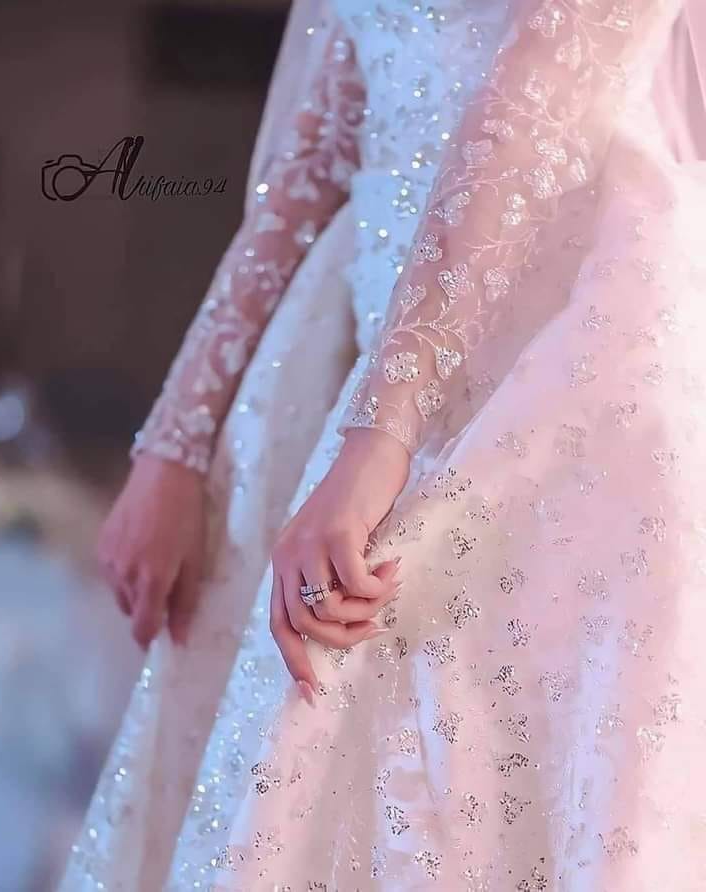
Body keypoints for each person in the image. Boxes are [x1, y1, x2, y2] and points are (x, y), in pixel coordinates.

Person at [62, 0, 706, 889]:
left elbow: (531, 109)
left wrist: (381, 439)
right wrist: (175, 440)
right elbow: (315, 153)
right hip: (367, 345)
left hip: (562, 358)